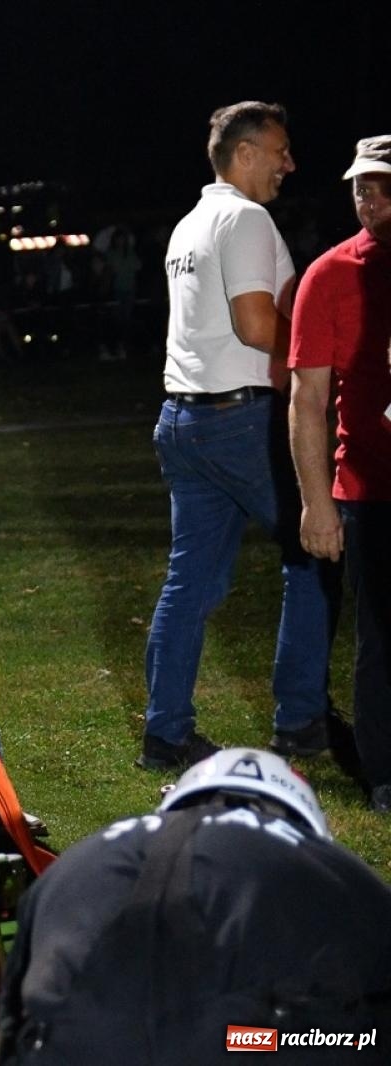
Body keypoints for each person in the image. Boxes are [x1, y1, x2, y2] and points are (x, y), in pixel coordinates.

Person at [141, 101, 335, 771]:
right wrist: (321, 364)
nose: (290, 163)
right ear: (245, 154)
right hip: (241, 421)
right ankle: (301, 719)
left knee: (187, 584)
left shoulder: (190, 223)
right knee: (317, 553)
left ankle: (165, 735)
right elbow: (257, 324)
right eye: (280, 150)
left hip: (184, 421)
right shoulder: (247, 219)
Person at [0, 748, 391, 1063]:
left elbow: (10, 1016)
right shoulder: (335, 870)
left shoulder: (77, 861)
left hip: (76, 1036)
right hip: (243, 1041)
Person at [290, 135, 391, 812]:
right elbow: (307, 399)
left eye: (382, 184)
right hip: (371, 488)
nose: (368, 196)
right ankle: (384, 772)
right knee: (380, 638)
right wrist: (316, 503)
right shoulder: (329, 275)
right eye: (361, 185)